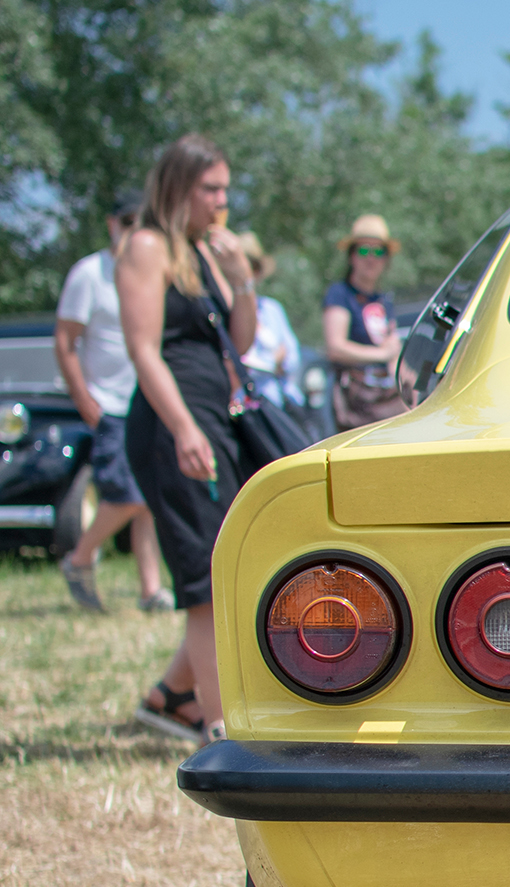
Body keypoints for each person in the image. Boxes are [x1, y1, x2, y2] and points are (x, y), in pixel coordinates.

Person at [120, 133, 256, 744]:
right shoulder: (145, 248)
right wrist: (182, 428)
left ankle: (172, 699)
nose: (222, 202)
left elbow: (241, 345)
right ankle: (220, 726)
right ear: (178, 187)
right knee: (206, 572)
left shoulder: (203, 255)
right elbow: (143, 351)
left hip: (211, 419)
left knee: (224, 558)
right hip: (171, 425)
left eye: (226, 189)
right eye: (211, 189)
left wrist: (242, 281)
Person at [52, 191, 171, 614]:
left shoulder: (152, 269)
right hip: (108, 403)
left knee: (148, 501)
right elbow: (65, 342)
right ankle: (79, 559)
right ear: (111, 223)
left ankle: (150, 589)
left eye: (142, 222)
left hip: (146, 400)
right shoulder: (90, 273)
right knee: (128, 496)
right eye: (126, 221)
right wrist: (84, 398)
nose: (133, 229)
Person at [324, 214, 407, 429]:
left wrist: (410, 387)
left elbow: (393, 350)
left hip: (385, 397)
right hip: (356, 401)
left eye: (378, 251)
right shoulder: (340, 294)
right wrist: (380, 355)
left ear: (386, 259)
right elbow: (335, 347)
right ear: (352, 257)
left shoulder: (383, 301)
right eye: (363, 250)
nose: (371, 257)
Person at [236, 232, 300, 409]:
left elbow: (293, 357)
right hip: (240, 406)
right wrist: (273, 361)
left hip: (274, 405)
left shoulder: (272, 309)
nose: (247, 272)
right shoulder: (225, 309)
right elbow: (238, 364)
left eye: (252, 266)